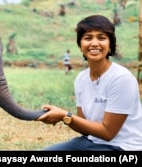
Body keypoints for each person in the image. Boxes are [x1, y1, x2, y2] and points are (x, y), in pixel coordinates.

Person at [38, 15, 142, 151]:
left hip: (123, 147)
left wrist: (64, 115)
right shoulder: (81, 79)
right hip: (91, 142)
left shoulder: (121, 78)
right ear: (80, 46)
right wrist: (64, 117)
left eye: (101, 38)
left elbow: (108, 133)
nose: (94, 43)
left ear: (110, 44)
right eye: (88, 38)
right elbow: (85, 127)